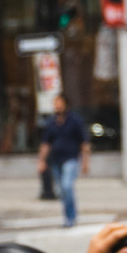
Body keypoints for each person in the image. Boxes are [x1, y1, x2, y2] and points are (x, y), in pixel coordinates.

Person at [35, 94, 91, 227]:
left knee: (67, 186)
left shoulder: (74, 120)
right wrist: (41, 161)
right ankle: (67, 216)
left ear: (65, 104)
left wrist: (85, 162)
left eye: (59, 103)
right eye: (55, 103)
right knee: (61, 191)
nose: (57, 106)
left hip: (70, 158)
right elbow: (45, 144)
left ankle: (71, 217)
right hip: (55, 160)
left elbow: (84, 142)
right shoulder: (51, 122)